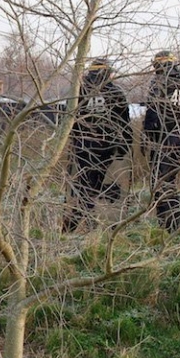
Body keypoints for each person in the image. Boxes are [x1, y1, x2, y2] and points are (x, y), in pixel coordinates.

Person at [63, 58, 133, 233]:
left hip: (82, 147)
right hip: (106, 148)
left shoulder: (79, 91)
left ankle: (78, 223)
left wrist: (71, 142)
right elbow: (123, 121)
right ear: (108, 72)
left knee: (82, 184)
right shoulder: (115, 92)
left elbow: (68, 120)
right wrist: (125, 145)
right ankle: (91, 222)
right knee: (97, 184)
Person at [142, 50, 180, 232]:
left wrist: (147, 137)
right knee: (170, 180)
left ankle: (168, 224)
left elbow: (153, 112)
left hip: (162, 139)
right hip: (179, 139)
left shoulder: (159, 82)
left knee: (160, 182)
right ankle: (173, 221)